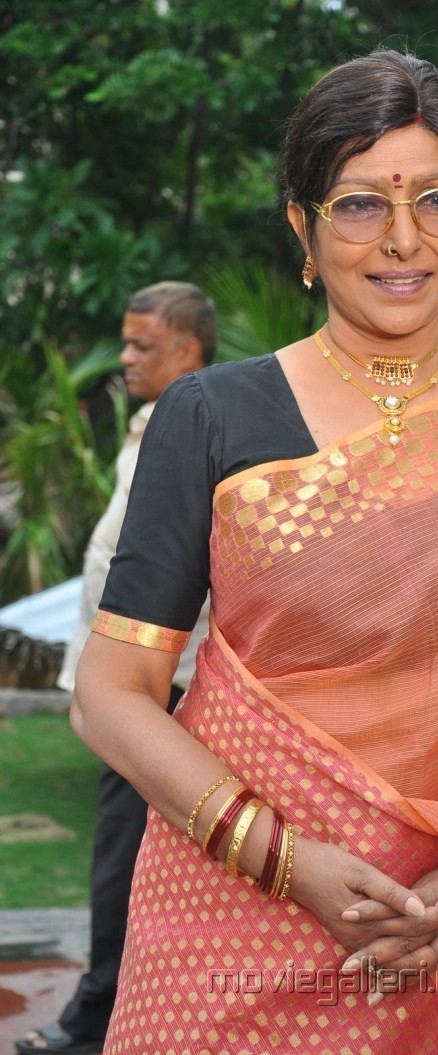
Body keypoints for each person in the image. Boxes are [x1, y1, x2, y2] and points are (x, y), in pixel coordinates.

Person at [71, 51, 438, 1055]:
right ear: (302, 227)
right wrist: (289, 860)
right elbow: (111, 690)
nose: (402, 239)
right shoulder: (212, 414)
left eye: (436, 200)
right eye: (357, 205)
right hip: (232, 928)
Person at [17, 282, 216, 1055]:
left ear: (187, 348)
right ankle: (127, 1008)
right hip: (129, 682)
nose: (125, 358)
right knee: (135, 855)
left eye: (140, 345)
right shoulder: (155, 422)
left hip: (161, 687)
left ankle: (97, 1016)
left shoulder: (200, 422)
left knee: (126, 855)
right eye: (127, 343)